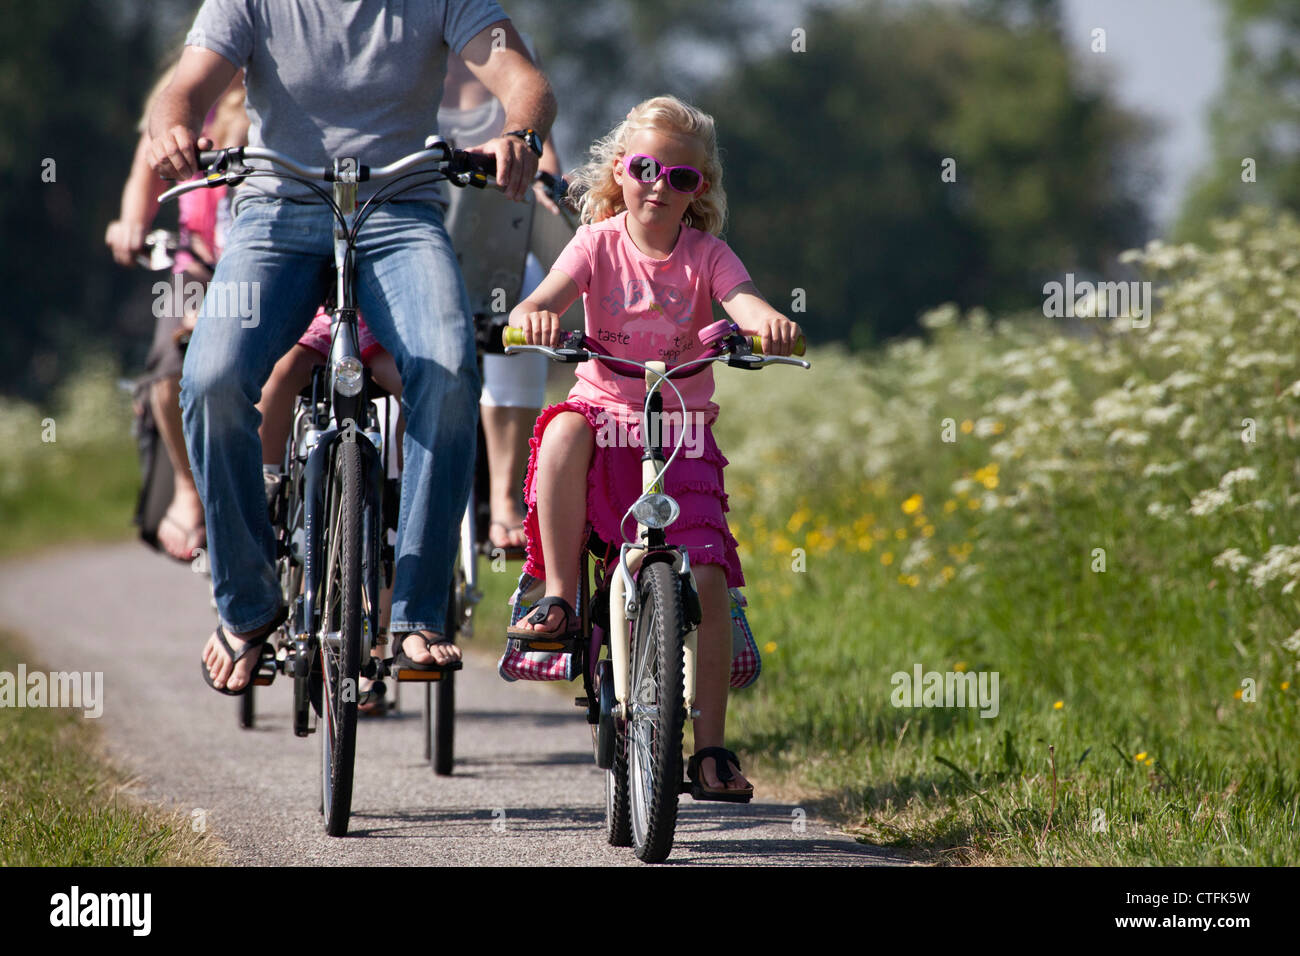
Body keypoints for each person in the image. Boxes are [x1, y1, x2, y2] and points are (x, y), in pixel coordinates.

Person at [147, 0, 556, 694]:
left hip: (401, 214)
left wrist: (519, 131)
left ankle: (418, 614)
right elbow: (183, 88)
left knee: (448, 370)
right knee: (211, 379)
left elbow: (525, 80)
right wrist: (175, 127)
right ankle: (246, 608)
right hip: (277, 211)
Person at [506, 95, 802, 800]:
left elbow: (746, 304)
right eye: (645, 169)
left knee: (707, 579)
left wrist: (769, 326)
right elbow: (541, 301)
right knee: (564, 427)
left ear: (699, 191)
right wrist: (532, 319)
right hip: (606, 421)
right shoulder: (597, 244)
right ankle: (558, 599)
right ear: (619, 173)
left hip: (680, 437)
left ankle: (710, 751)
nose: (659, 186)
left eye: (681, 178)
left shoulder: (708, 255)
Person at [108, 70, 247, 561]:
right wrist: (132, 223)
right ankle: (189, 491)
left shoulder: (282, 90)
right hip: (198, 266)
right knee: (171, 361)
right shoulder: (184, 100)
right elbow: (145, 170)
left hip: (266, 260)